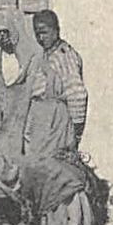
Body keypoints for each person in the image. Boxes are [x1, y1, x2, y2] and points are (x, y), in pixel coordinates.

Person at [0, 9, 73, 159]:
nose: (2, 37)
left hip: (25, 117)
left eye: (5, 32)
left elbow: (47, 82)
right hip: (2, 119)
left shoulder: (33, 57)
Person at [32, 10, 89, 147]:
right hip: (44, 128)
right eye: (37, 33)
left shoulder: (64, 56)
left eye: (44, 32)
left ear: (56, 30)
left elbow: (78, 94)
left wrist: (75, 136)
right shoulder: (47, 55)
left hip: (57, 131)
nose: (40, 37)